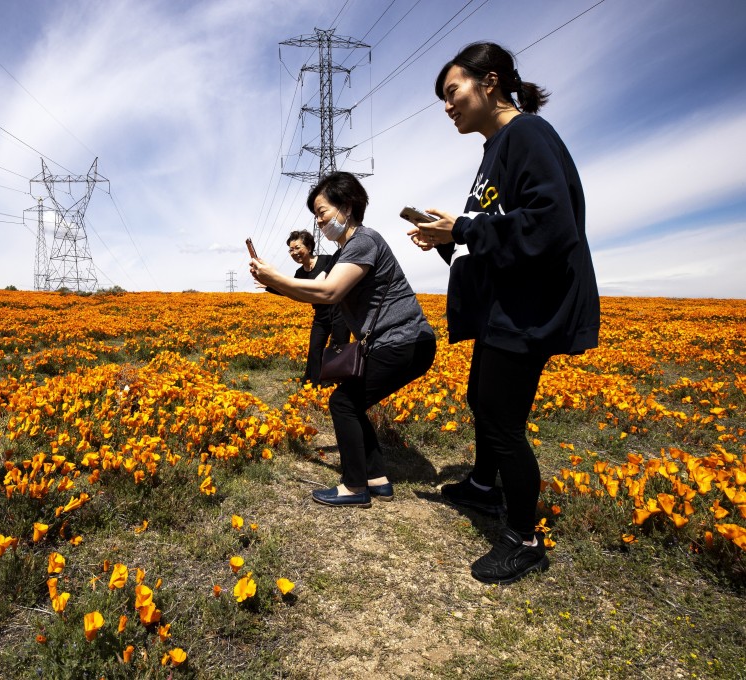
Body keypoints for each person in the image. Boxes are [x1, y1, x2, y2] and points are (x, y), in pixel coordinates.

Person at [405, 42, 600, 584]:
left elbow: (550, 222)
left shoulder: (527, 134)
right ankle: (484, 486)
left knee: (501, 417)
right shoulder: (494, 148)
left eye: (452, 92)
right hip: (505, 301)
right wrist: (448, 237)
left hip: (531, 304)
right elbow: (496, 234)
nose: (447, 106)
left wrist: (464, 228)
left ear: (490, 83)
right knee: (480, 398)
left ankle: (525, 538)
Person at [252, 172, 436, 508]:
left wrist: (275, 277)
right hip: (400, 342)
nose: (319, 221)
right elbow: (320, 295)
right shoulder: (343, 254)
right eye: (316, 215)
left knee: (343, 403)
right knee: (352, 402)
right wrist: (274, 280)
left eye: (322, 212)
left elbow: (330, 289)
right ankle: (377, 479)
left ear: (347, 206)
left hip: (404, 340)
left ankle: (354, 486)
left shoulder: (363, 241)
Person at [266, 229, 350, 385]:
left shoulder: (326, 260)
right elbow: (291, 290)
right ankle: (315, 383)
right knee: (315, 349)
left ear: (309, 247)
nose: (294, 252)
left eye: (297, 247)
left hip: (339, 310)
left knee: (338, 346)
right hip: (320, 314)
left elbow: (341, 254)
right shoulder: (299, 273)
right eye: (291, 249)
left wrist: (324, 272)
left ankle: (335, 382)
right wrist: (269, 284)